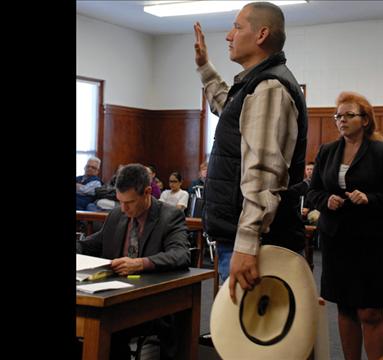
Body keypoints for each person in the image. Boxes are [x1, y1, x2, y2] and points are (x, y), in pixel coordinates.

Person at [193, 1, 308, 302]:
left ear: (261, 35)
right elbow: (226, 107)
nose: (229, 35)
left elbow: (264, 173)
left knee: (253, 343)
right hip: (247, 239)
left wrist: (247, 242)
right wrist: (205, 66)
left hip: (257, 244)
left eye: (237, 27)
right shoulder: (258, 85)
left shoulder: (269, 87)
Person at [305, 91, 383, 360]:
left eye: (349, 115)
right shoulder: (327, 151)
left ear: (365, 119)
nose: (342, 120)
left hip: (370, 240)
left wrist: (370, 198)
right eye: (338, 116)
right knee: (344, 308)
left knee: (369, 311)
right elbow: (312, 191)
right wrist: (325, 199)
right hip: (336, 239)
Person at [76, 163, 191, 360]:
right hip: (112, 296)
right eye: (119, 201)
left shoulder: (170, 216)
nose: (123, 208)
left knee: (106, 331)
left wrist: (141, 263)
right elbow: (89, 245)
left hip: (149, 301)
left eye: (128, 202)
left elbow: (181, 254)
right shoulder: (117, 214)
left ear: (147, 192)